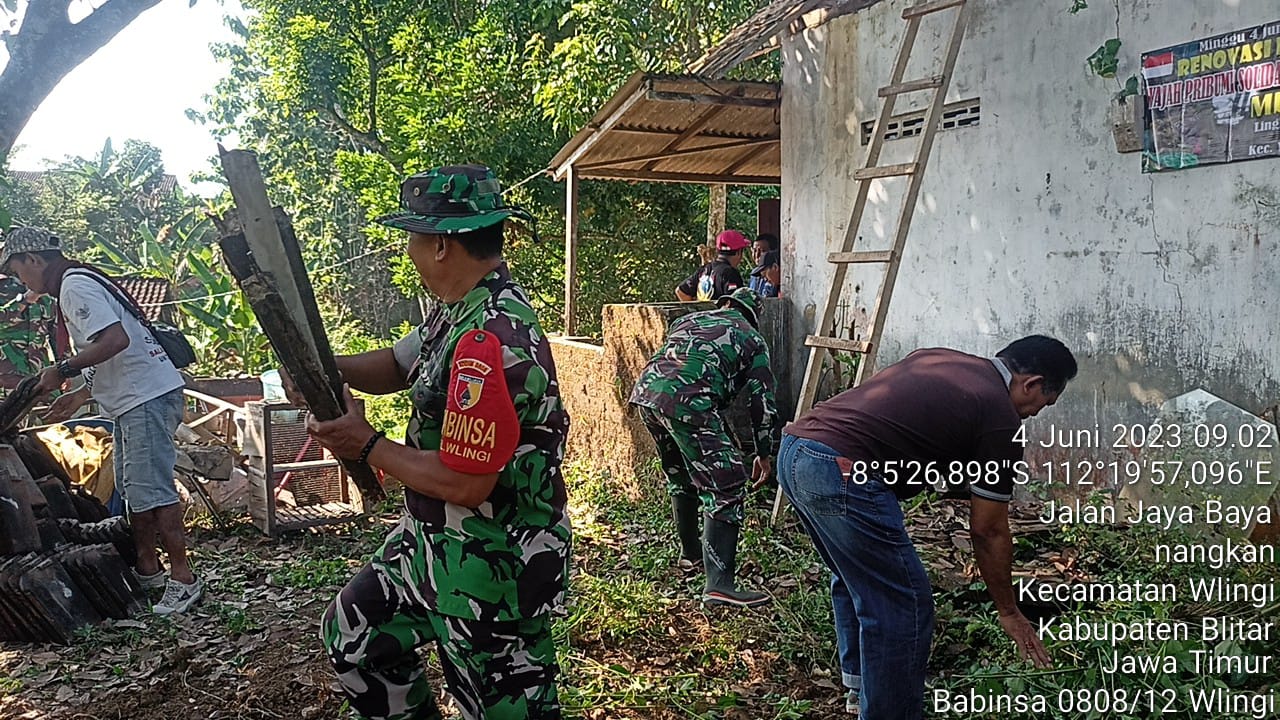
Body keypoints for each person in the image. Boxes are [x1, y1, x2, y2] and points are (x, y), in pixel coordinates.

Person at [305, 165, 571, 720]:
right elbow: (397, 365)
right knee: (354, 640)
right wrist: (320, 368)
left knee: (500, 708)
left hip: (491, 561)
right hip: (428, 541)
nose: (409, 251)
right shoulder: (454, 311)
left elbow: (466, 482)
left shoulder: (491, 338)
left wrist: (368, 445)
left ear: (443, 244)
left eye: (413, 238)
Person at [777, 335, 1076, 719]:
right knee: (904, 604)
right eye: (1041, 404)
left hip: (797, 449)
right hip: (842, 470)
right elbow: (988, 530)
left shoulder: (942, 358)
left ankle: (862, 688)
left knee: (855, 577)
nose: (1034, 414)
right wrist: (1008, 610)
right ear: (1031, 383)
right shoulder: (1000, 418)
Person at [0, 225, 200, 614]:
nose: (18, 280)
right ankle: (148, 571)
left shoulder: (74, 287)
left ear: (34, 259)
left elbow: (114, 341)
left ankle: (183, 579)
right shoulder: (76, 282)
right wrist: (77, 397)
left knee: (153, 490)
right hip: (132, 397)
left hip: (145, 396)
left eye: (16, 270)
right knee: (133, 488)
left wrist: (63, 370)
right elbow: (108, 350)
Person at [628, 286, 777, 608]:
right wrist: (763, 453)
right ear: (753, 315)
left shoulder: (690, 319)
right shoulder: (752, 338)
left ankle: (691, 555)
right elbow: (760, 401)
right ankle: (720, 585)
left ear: (724, 303)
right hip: (688, 403)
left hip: (647, 396)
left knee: (680, 475)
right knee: (728, 482)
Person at [0, 272, 56, 390]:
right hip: (6, 380)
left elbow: (57, 335)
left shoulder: (45, 292)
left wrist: (65, 369)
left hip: (41, 378)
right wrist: (24, 300)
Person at [675, 229, 749, 301]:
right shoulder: (731, 273)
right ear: (739, 252)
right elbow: (735, 304)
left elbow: (681, 291)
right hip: (721, 313)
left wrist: (696, 310)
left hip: (703, 313)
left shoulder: (704, 270)